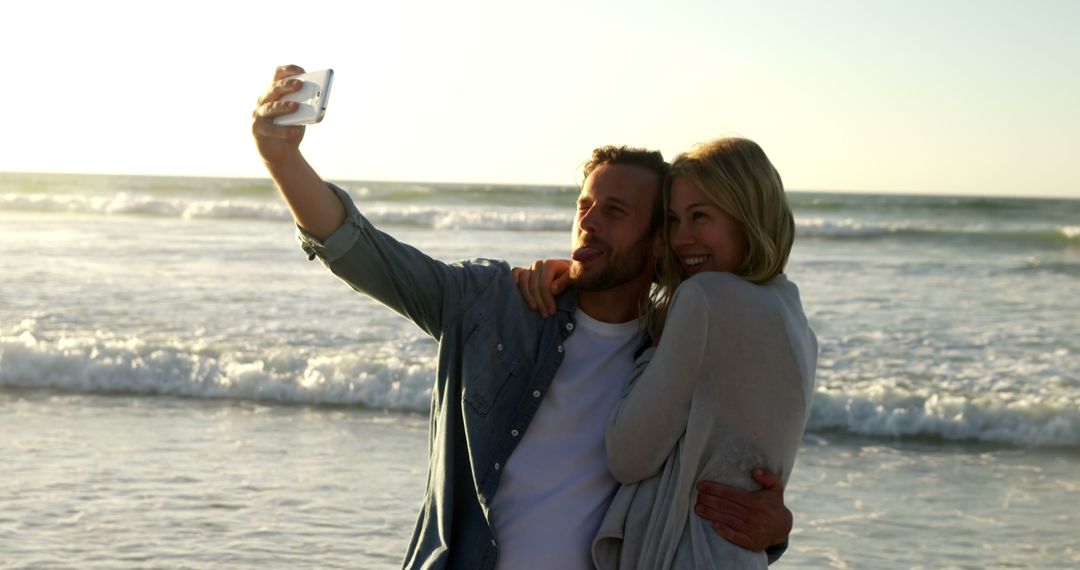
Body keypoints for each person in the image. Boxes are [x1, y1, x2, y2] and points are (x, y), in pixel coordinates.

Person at [252, 65, 793, 570]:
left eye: (615, 212)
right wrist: (283, 159)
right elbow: (365, 254)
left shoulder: (676, 350)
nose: (589, 223)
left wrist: (774, 530)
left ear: (658, 243)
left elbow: (713, 484)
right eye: (584, 206)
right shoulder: (494, 305)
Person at [514, 137, 817, 568]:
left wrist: (653, 349)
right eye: (673, 220)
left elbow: (627, 455)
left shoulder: (704, 298)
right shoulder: (797, 324)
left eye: (701, 217)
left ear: (748, 216)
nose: (681, 239)